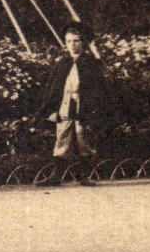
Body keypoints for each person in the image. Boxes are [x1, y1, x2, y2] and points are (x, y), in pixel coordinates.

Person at [34, 23, 108, 181]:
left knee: (84, 137)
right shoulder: (62, 64)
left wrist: (94, 109)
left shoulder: (91, 64)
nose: (72, 45)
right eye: (69, 41)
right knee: (63, 137)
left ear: (83, 43)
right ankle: (56, 176)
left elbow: (97, 90)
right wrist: (51, 110)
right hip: (65, 106)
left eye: (76, 41)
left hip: (83, 105)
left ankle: (84, 175)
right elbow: (53, 89)